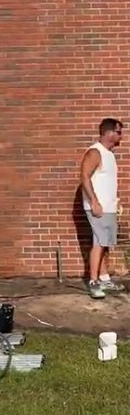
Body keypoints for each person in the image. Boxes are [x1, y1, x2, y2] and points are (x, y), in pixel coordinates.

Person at [80, 118, 124, 298]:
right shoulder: (94, 152)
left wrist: (115, 201)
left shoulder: (109, 154)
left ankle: (104, 278)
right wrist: (94, 201)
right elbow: (84, 176)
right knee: (99, 242)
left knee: (104, 243)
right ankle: (93, 282)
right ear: (109, 132)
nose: (121, 136)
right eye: (119, 132)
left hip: (108, 207)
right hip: (97, 207)